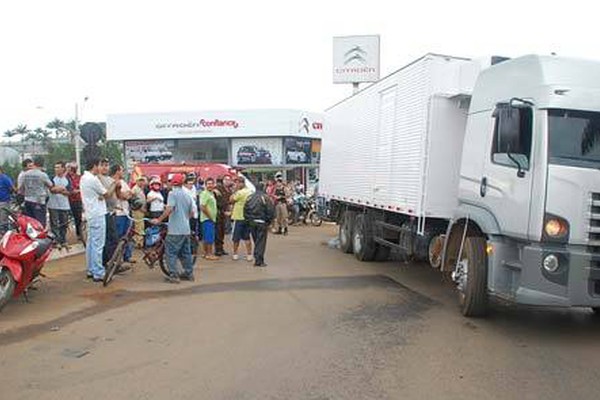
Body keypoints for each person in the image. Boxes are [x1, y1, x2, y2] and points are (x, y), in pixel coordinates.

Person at [151, 173, 195, 283]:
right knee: (186, 253)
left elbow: (169, 209)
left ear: (173, 183)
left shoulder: (172, 194)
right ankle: (189, 274)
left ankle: (173, 275)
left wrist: (159, 219)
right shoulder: (187, 195)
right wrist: (184, 218)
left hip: (175, 230)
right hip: (186, 229)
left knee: (170, 252)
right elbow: (191, 212)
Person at [80, 158, 111, 282]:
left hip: (90, 214)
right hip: (97, 214)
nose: (101, 168)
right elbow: (107, 194)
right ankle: (98, 272)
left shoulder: (84, 178)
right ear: (94, 166)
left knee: (91, 244)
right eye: (99, 165)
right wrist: (115, 184)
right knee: (98, 245)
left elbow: (100, 195)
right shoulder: (93, 179)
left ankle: (91, 269)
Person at [18, 156, 58, 227]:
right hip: (39, 201)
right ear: (42, 164)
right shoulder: (42, 175)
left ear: (34, 163)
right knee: (40, 223)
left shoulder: (25, 174)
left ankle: (31, 237)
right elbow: (51, 185)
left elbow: (20, 188)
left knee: (30, 223)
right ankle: (40, 237)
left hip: (28, 200)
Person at [245, 182, 275, 267]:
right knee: (260, 242)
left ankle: (257, 258)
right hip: (261, 222)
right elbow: (270, 211)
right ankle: (259, 260)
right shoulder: (265, 198)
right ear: (263, 188)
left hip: (252, 222)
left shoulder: (249, 197)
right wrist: (268, 221)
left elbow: (245, 210)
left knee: (256, 241)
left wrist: (248, 220)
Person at [98, 160, 119, 266]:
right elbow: (106, 194)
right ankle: (108, 262)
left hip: (112, 211)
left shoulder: (110, 179)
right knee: (108, 238)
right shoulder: (98, 179)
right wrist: (114, 184)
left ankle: (112, 261)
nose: (105, 168)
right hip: (104, 212)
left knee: (113, 238)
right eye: (102, 165)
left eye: (106, 165)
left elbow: (116, 194)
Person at [113, 164, 134, 264]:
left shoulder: (123, 182)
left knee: (127, 235)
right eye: (121, 170)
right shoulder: (113, 182)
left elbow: (130, 194)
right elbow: (121, 195)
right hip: (118, 213)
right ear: (117, 171)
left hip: (126, 212)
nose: (122, 172)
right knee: (119, 236)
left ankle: (127, 256)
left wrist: (126, 195)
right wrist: (126, 195)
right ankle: (118, 257)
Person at [47, 161, 72, 248]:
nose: (56, 169)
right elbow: (52, 190)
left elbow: (69, 192)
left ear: (63, 168)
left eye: (58, 167)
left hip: (64, 205)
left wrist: (60, 190)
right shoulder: (51, 178)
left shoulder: (67, 179)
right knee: (54, 223)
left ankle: (63, 240)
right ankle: (56, 241)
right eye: (55, 167)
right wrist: (62, 189)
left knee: (64, 223)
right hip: (53, 205)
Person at [230, 176, 253, 261]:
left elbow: (231, 200)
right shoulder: (250, 191)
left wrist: (235, 191)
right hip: (247, 217)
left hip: (238, 217)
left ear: (241, 183)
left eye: (237, 183)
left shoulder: (239, 193)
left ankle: (235, 254)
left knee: (236, 237)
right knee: (247, 237)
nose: (236, 184)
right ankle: (249, 254)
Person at [199, 177, 218, 260]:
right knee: (209, 237)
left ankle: (206, 253)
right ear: (205, 185)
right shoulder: (205, 193)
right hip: (207, 219)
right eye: (208, 184)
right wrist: (210, 217)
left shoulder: (211, 193)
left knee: (206, 237)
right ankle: (209, 254)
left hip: (210, 219)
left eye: (211, 184)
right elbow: (202, 207)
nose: (210, 185)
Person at [213, 176, 231, 256]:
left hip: (224, 213)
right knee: (218, 231)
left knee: (222, 232)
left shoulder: (228, 190)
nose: (227, 181)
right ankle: (217, 249)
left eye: (228, 180)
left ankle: (221, 248)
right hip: (218, 213)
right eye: (226, 180)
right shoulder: (218, 188)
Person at [66, 163, 84, 241]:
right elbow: (70, 189)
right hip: (68, 200)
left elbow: (81, 187)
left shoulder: (79, 177)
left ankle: (79, 234)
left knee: (78, 218)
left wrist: (77, 191)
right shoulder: (66, 178)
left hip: (77, 200)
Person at [131, 176, 147, 248]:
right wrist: (141, 208)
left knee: (141, 226)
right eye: (140, 180)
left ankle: (140, 242)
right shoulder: (134, 189)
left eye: (142, 180)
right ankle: (138, 243)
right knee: (138, 226)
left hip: (141, 211)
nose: (142, 182)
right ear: (137, 181)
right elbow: (133, 201)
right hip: (137, 211)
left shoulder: (140, 189)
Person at [0, 165, 15, 235]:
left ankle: (4, 235)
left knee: (3, 220)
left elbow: (12, 188)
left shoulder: (5, 178)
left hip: (4, 202)